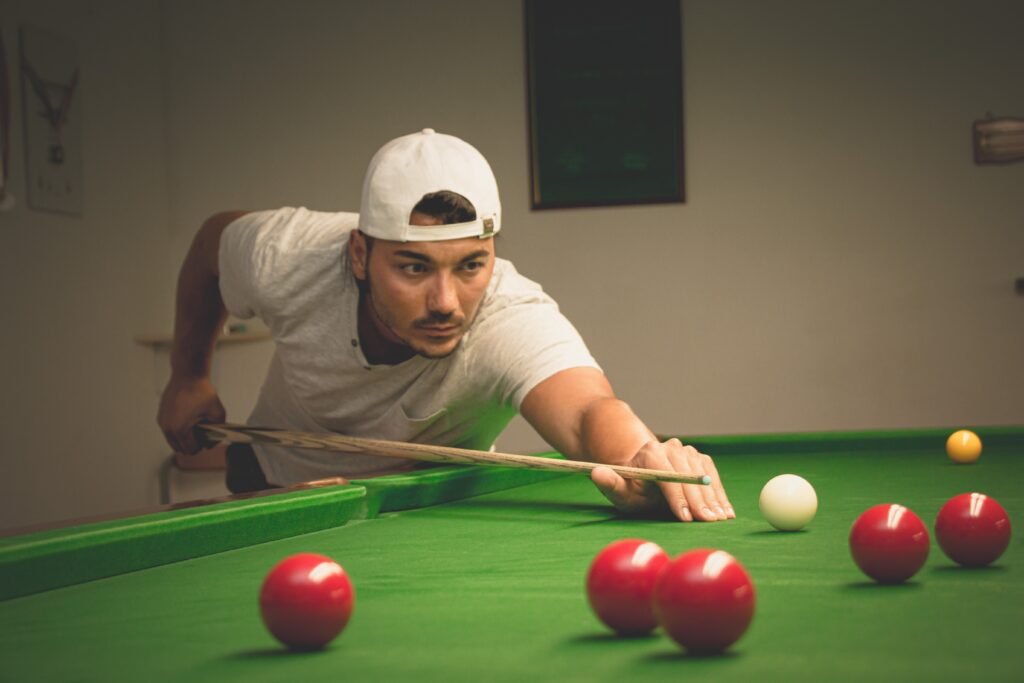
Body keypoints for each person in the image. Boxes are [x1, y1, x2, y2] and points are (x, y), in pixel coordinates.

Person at [158, 128, 734, 523]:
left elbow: (588, 412)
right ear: (359, 255)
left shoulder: (509, 315)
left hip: (422, 512)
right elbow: (214, 242)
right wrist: (188, 376)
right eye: (414, 267)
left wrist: (638, 458)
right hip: (274, 490)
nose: (446, 302)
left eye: (470, 266)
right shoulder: (293, 255)